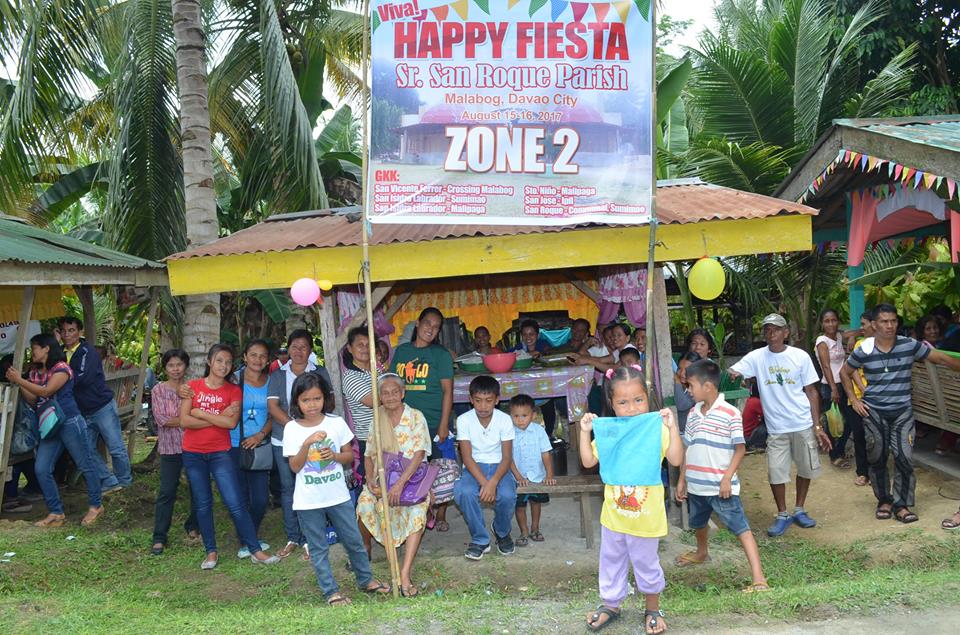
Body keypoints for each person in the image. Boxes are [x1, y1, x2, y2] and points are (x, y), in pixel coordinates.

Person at [578, 366, 682, 634]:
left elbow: (676, 459)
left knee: (647, 564)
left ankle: (653, 608)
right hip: (613, 517)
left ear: (648, 398)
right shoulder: (609, 432)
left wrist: (673, 427)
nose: (633, 407)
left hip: (646, 520)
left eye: (638, 400)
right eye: (623, 402)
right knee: (611, 561)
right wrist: (584, 431)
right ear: (611, 405)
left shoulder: (655, 428)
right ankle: (610, 605)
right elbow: (588, 461)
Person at [841, 304, 960, 524]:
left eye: (893, 321)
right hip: (874, 412)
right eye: (884, 321)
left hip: (903, 412)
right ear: (875, 324)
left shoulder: (909, 345)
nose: (889, 325)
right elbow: (845, 372)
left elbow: (941, 359)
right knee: (877, 456)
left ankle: (902, 504)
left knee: (904, 457)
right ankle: (884, 500)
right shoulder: (864, 350)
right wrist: (855, 400)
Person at [283, 372, 390, 604]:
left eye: (317, 399)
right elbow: (294, 466)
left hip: (338, 496)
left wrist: (333, 455)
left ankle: (366, 579)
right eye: (306, 400)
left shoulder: (336, 422)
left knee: (353, 539)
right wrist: (307, 443)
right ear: (296, 402)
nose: (312, 405)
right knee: (318, 547)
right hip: (308, 500)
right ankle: (331, 591)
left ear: (325, 398)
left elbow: (350, 456)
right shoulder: (292, 429)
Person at [727, 313, 832, 537]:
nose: (771, 334)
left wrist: (817, 426)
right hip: (776, 428)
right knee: (776, 472)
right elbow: (734, 371)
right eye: (767, 330)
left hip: (802, 422)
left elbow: (812, 392)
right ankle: (782, 513)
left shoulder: (800, 356)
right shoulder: (757, 357)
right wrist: (736, 375)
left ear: (786, 333)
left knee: (805, 469)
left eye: (776, 329)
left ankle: (800, 509)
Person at [179, 344, 280, 569]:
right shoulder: (193, 387)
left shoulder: (234, 390)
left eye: (227, 362)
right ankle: (211, 552)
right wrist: (216, 417)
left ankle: (255, 550)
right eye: (219, 361)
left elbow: (231, 423)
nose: (223, 366)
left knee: (235, 502)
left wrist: (200, 412)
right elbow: (184, 421)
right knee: (203, 504)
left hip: (220, 452)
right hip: (193, 453)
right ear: (209, 362)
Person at [674, 359, 768, 592]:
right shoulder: (694, 414)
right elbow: (688, 448)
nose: (688, 390)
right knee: (699, 523)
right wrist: (682, 479)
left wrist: (727, 478)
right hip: (697, 486)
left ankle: (759, 579)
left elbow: (740, 449)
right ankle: (701, 552)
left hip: (720, 486)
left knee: (740, 528)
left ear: (708, 386)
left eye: (691, 385)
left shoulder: (731, 413)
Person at [5, 333, 104, 527]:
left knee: (85, 463)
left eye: (34, 348)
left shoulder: (62, 368)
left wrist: (20, 380)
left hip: (69, 421)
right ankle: (56, 512)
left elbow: (47, 391)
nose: (32, 352)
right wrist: (19, 381)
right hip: (49, 425)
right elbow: (33, 399)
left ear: (46, 349)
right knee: (41, 468)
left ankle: (96, 506)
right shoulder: (34, 373)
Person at [356, 373, 430, 597]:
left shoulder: (416, 417)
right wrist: (369, 479)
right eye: (385, 393)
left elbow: (419, 455)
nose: (390, 397)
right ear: (379, 396)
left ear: (403, 393)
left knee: (417, 512)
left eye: (394, 392)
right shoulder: (376, 420)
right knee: (367, 505)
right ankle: (393, 568)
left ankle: (404, 574)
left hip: (411, 480)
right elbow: (369, 455)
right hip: (382, 480)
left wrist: (398, 485)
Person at [267, 329, 334, 559]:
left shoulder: (320, 372)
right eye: (294, 346)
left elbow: (330, 401)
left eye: (303, 347)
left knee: (312, 486)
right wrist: (295, 428)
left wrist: (308, 427)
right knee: (288, 489)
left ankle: (310, 538)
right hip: (282, 439)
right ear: (289, 349)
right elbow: (274, 407)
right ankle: (292, 536)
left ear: (310, 350)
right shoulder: (277, 375)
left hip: (315, 440)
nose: (298, 351)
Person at [392, 307, 454, 530]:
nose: (431, 329)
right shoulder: (401, 352)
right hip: (406, 425)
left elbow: (448, 391)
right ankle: (420, 512)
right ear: (417, 324)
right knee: (412, 470)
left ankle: (442, 515)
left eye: (436, 327)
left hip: (433, 422)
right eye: (428, 323)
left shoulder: (441, 355)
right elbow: (393, 387)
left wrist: (444, 424)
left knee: (440, 469)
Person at [59, 316, 132, 493]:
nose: (67, 335)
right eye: (64, 331)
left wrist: (59, 379)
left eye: (71, 330)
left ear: (80, 332)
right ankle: (110, 481)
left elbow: (83, 378)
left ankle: (126, 484)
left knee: (116, 447)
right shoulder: (60, 353)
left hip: (101, 407)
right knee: (85, 450)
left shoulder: (87, 351)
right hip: (81, 411)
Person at [453, 375, 517, 560]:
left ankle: (502, 531)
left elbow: (507, 457)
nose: (483, 406)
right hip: (474, 466)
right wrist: (485, 483)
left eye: (488, 401)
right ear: (471, 399)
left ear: (497, 400)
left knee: (506, 495)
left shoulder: (504, 420)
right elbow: (466, 457)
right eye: (478, 401)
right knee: (464, 492)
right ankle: (480, 539)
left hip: (500, 466)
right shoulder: (464, 420)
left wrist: (494, 482)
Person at [150, 349, 199, 555]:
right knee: (167, 492)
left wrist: (189, 419)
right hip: (170, 448)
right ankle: (159, 537)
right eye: (171, 365)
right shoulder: (158, 390)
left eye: (179, 364)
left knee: (197, 489)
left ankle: (194, 526)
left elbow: (199, 412)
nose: (175, 369)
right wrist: (189, 420)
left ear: (185, 366)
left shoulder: (193, 388)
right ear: (165, 368)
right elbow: (162, 420)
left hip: (193, 445)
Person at [231, 339, 273, 557]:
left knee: (260, 499)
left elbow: (275, 413)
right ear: (245, 356)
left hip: (260, 444)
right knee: (240, 497)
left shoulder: (271, 382)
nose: (258, 360)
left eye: (263, 355)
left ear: (268, 360)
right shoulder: (233, 379)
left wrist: (260, 434)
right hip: (233, 444)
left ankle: (249, 537)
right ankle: (247, 541)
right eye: (253, 355)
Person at [508, 394, 555, 546]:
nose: (520, 420)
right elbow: (508, 458)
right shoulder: (509, 432)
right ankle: (524, 531)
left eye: (524, 415)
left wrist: (549, 474)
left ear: (533, 415)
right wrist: (518, 477)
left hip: (538, 476)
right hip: (517, 478)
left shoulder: (539, 431)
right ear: (510, 416)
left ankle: (535, 528)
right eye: (516, 416)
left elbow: (546, 454)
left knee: (536, 503)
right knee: (520, 506)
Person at [814, 309, 854, 469]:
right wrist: (833, 389)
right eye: (827, 321)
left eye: (833, 320)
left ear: (838, 321)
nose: (830, 324)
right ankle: (834, 455)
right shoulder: (822, 341)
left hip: (844, 383)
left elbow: (861, 330)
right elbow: (825, 366)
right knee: (832, 423)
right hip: (830, 386)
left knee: (849, 421)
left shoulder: (837, 336)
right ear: (822, 323)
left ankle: (839, 450)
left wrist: (851, 336)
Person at [342, 326, 375, 477]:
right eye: (360, 345)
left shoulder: (377, 371)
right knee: (372, 482)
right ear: (349, 348)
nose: (365, 348)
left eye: (369, 344)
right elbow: (374, 401)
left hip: (388, 434)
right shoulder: (350, 377)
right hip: (369, 438)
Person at [674, 351, 701, 433]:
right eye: (679, 369)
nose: (682, 374)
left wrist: (677, 381)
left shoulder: (698, 388)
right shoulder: (683, 386)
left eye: (687, 370)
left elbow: (681, 405)